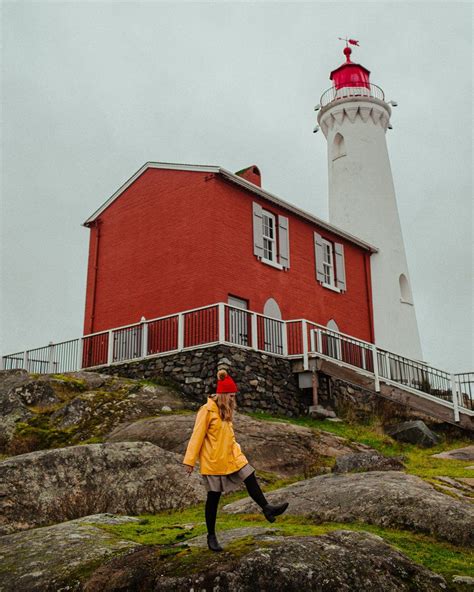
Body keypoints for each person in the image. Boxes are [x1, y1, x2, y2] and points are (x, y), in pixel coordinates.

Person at [183, 368, 289, 552]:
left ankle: (267, 508)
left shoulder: (226, 410)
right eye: (231, 396)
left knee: (250, 476)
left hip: (232, 456)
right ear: (222, 395)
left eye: (234, 396)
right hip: (214, 460)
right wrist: (189, 460)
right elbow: (197, 436)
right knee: (213, 498)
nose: (233, 399)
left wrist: (237, 452)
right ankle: (211, 536)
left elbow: (228, 436)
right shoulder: (207, 410)